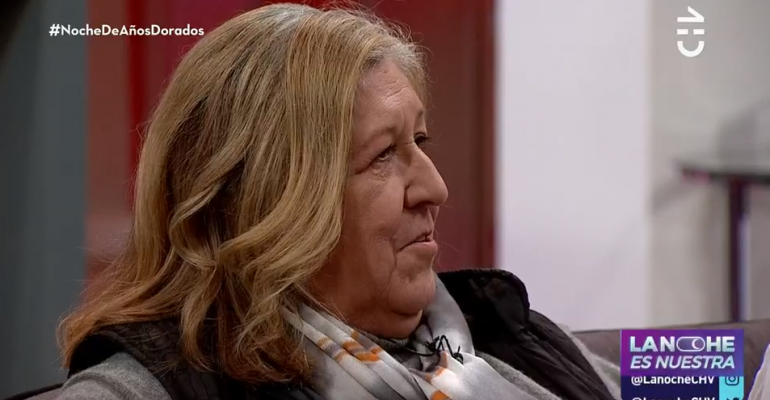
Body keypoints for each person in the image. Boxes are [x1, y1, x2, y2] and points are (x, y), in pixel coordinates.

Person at [55, 3, 621, 400]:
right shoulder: (146, 389)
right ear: (269, 204)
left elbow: (674, 374)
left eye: (420, 141)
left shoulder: (509, 331)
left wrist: (682, 369)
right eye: (383, 155)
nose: (435, 189)